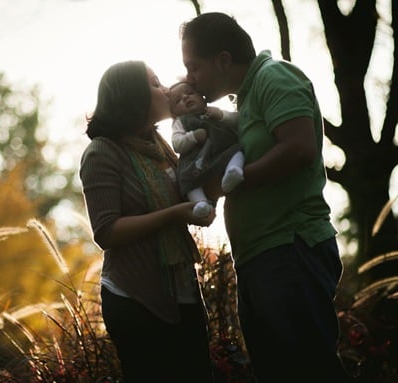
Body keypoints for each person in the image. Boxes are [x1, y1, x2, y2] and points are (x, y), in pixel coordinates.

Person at [179, 12, 352, 383]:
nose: (189, 78)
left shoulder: (275, 77)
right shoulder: (245, 102)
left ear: (223, 60)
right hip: (260, 257)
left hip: (289, 247)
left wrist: (237, 181)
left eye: (194, 67)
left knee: (308, 369)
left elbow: (300, 147)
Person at [79, 60, 214, 382]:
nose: (166, 89)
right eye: (155, 83)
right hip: (135, 297)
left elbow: (186, 190)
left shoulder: (160, 145)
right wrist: (176, 215)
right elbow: (107, 230)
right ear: (133, 98)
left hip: (183, 290)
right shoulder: (102, 153)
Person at [169, 80, 244, 218]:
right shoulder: (179, 122)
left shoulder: (212, 112)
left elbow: (238, 121)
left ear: (203, 99)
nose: (185, 97)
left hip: (221, 153)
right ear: (173, 114)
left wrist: (221, 115)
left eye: (190, 93)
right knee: (187, 179)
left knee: (237, 151)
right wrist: (193, 137)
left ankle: (233, 171)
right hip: (196, 162)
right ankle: (200, 203)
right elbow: (177, 144)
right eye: (177, 100)